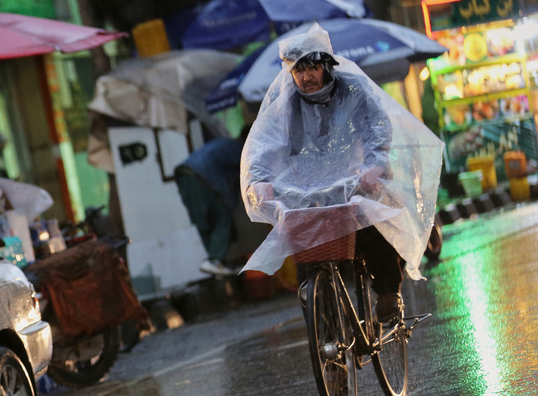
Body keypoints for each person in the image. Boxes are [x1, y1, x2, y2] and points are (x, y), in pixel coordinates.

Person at [240, 23, 443, 322]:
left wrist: (374, 166)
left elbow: (378, 127)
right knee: (306, 251)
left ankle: (388, 292)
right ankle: (324, 327)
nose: (306, 77)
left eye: (312, 68)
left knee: (374, 224)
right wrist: (259, 180)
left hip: (355, 180)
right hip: (307, 190)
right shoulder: (286, 105)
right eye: (298, 70)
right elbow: (264, 146)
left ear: (326, 66)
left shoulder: (354, 90)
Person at [175, 134, 244, 276]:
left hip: (184, 175)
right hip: (201, 176)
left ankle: (216, 262)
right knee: (222, 217)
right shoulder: (241, 148)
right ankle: (215, 260)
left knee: (204, 222)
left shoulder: (223, 143)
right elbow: (248, 172)